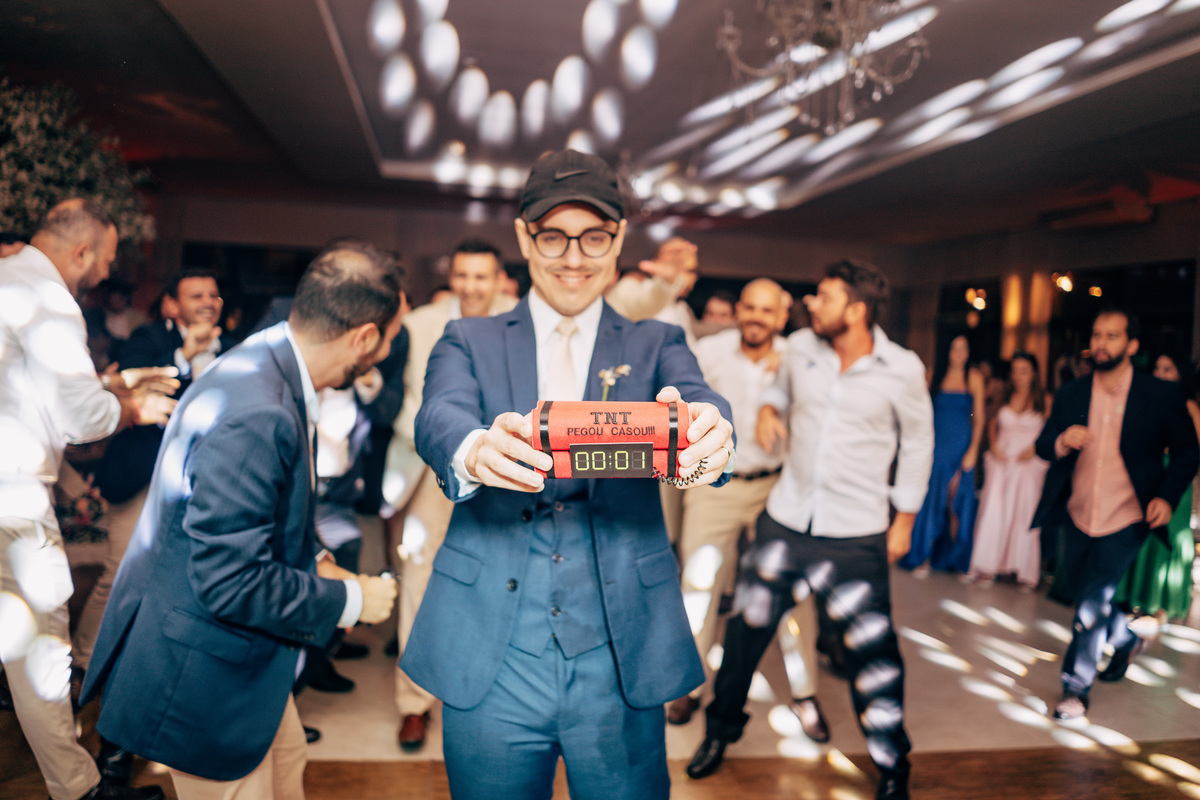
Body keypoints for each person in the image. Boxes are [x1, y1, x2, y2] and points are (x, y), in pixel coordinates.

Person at [401, 149, 734, 800]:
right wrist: (473, 449)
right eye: (553, 236)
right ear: (525, 237)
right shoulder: (467, 338)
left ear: (619, 239)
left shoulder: (657, 342)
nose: (574, 257)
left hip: (620, 650)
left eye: (594, 237)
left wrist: (711, 432)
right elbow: (439, 414)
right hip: (493, 651)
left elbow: (699, 400)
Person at [80, 241, 403, 798]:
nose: (390, 350)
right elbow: (230, 580)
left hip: (240, 660)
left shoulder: (266, 361)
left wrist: (318, 560)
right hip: (203, 673)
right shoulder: (258, 408)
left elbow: (254, 510)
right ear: (365, 337)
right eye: (392, 337)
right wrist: (351, 601)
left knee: (289, 764)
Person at [687, 259, 933, 800]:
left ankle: (893, 765)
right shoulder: (800, 348)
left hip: (857, 532)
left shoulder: (902, 368)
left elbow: (918, 443)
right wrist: (769, 409)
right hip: (787, 519)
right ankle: (718, 734)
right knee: (743, 636)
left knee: (873, 656)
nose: (811, 305)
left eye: (823, 297)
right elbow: (780, 390)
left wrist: (905, 519)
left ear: (856, 309)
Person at [1, 198, 179, 800]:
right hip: (13, 497)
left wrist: (113, 383)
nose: (105, 274)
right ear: (82, 252)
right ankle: (80, 791)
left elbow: (27, 386)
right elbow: (80, 420)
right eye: (105, 259)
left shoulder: (9, 279)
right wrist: (134, 408)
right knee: (42, 651)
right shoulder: (50, 299)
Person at [668, 279, 826, 742]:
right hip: (715, 485)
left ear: (782, 317)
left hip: (776, 489)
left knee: (793, 594)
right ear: (739, 310)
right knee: (699, 587)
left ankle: (805, 692)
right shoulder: (710, 353)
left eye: (767, 310)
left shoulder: (799, 358)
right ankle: (690, 687)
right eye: (750, 307)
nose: (756, 317)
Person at [1033, 308, 1199, 720]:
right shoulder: (1073, 393)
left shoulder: (1158, 395)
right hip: (1077, 513)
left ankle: (1075, 689)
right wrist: (1061, 440)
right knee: (1084, 596)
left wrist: (1166, 497)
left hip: (1127, 516)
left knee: (1091, 604)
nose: (1102, 343)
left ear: (1132, 344)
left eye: (1112, 336)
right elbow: (1043, 443)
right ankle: (1125, 640)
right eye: (1097, 335)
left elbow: (1187, 451)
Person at [389, 238, 517, 751]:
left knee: (495, 578)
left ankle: (483, 693)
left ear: (498, 280)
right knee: (419, 576)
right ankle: (414, 703)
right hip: (434, 468)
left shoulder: (521, 319)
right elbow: (405, 400)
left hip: (506, 472)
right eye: (462, 275)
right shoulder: (421, 323)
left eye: (481, 276)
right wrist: (440, 443)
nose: (470, 286)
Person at [74, 270, 233, 678]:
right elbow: (129, 391)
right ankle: (84, 663)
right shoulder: (149, 339)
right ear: (171, 305)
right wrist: (183, 357)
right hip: (142, 473)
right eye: (196, 295)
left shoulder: (233, 348)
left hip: (203, 479)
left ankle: (147, 666)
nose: (208, 301)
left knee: (184, 574)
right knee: (122, 570)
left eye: (213, 295)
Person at [1113, 351, 1200, 624]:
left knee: (1169, 534)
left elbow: (1194, 448)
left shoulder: (1188, 405)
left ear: (1179, 375)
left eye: (1168, 369)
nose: (1160, 374)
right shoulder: (1149, 402)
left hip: (1174, 476)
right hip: (1150, 473)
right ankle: (1135, 596)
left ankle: (1161, 602)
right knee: (1144, 531)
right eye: (1158, 368)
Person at [900, 333, 983, 575]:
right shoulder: (933, 374)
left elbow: (979, 419)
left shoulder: (974, 377)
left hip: (961, 447)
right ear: (947, 350)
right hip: (936, 446)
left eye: (963, 348)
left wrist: (973, 450)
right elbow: (921, 412)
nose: (959, 354)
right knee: (931, 501)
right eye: (954, 348)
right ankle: (922, 556)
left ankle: (955, 560)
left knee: (959, 502)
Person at [966, 352, 1050, 589]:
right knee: (994, 510)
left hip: (1027, 462)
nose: (1018, 376)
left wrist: (1035, 448)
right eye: (1014, 371)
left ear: (1033, 374)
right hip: (1002, 460)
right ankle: (988, 565)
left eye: (1023, 371)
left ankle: (1020, 568)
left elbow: (1051, 429)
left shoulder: (1044, 400)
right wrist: (993, 444)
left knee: (1023, 513)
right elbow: (992, 423)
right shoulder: (1004, 395)